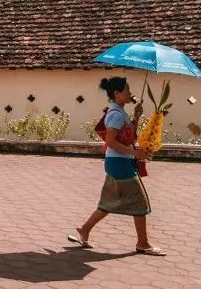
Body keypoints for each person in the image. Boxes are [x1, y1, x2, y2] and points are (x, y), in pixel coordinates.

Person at [67, 76, 165, 256]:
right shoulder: (117, 114)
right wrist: (136, 153)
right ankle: (143, 243)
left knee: (108, 202)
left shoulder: (118, 112)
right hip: (120, 163)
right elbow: (111, 141)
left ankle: (84, 229)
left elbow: (127, 136)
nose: (130, 93)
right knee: (140, 202)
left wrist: (136, 117)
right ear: (117, 93)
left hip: (116, 162)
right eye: (127, 90)